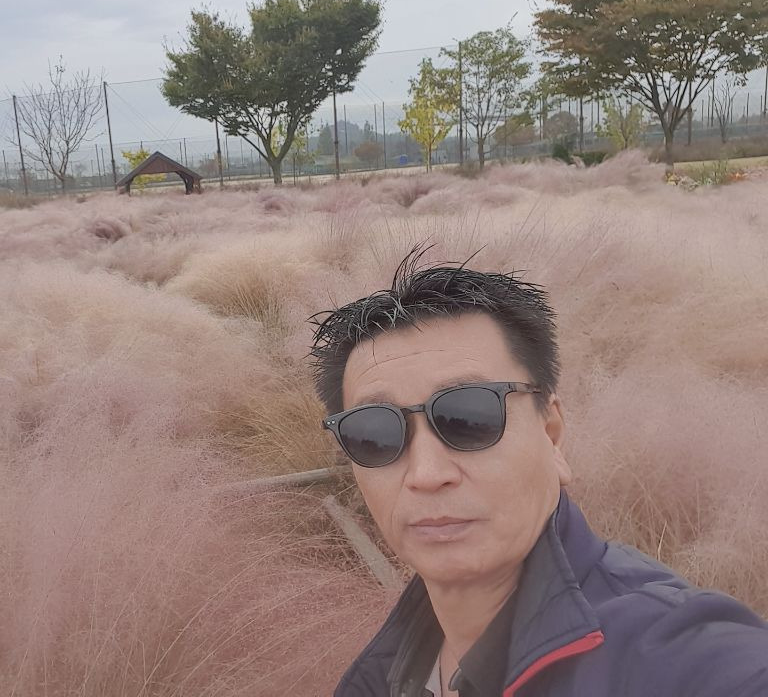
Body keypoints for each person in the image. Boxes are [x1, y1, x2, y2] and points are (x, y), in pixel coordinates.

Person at [307, 246, 768, 697]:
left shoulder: (676, 657)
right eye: (374, 432)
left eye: (469, 418)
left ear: (551, 434)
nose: (426, 474)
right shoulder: (384, 672)